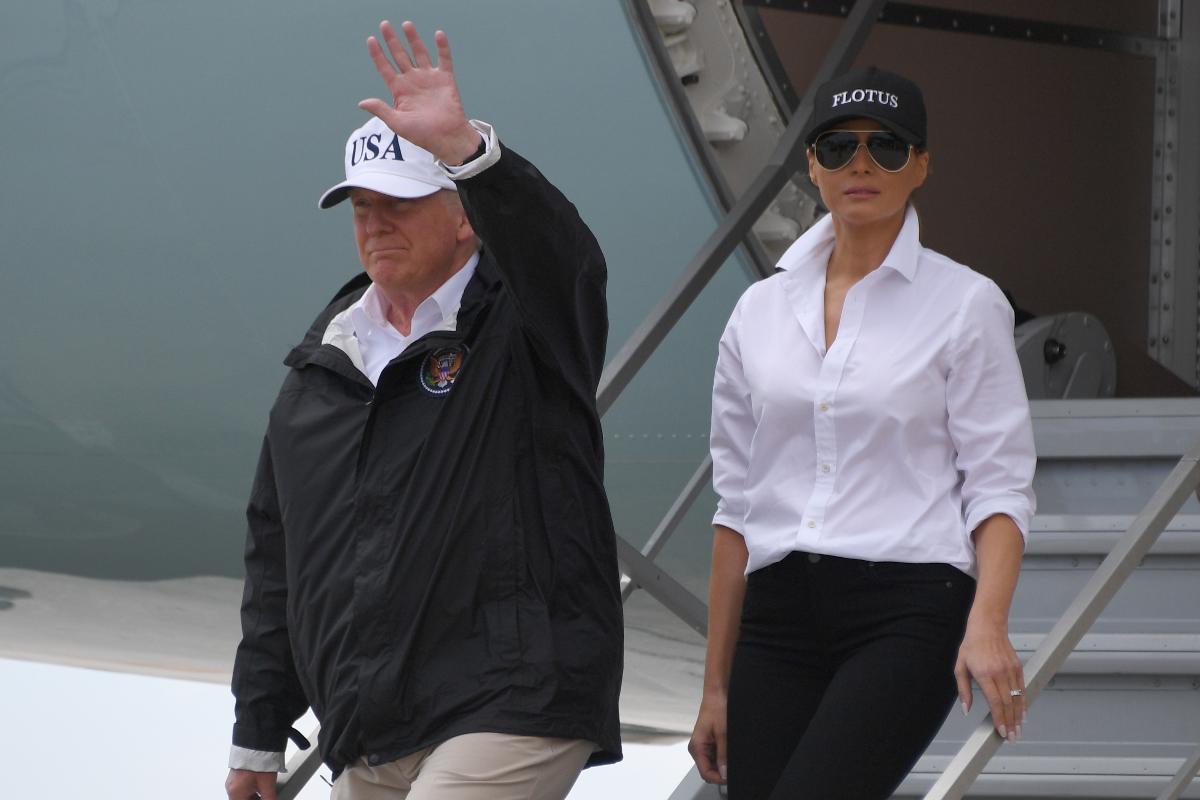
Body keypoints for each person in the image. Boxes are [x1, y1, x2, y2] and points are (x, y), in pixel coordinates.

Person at [225, 20, 623, 800]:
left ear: (466, 215)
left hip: (511, 700)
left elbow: (564, 258)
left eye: (400, 204)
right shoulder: (317, 374)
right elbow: (279, 563)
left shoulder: (524, 327)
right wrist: (259, 735)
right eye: (360, 206)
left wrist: (474, 156)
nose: (375, 223)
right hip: (370, 724)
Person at [687, 66, 1037, 799]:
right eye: (839, 146)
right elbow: (736, 509)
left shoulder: (967, 304)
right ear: (811, 162)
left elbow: (999, 486)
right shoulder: (757, 311)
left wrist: (988, 623)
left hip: (907, 608)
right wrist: (715, 689)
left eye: (887, 147)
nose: (862, 165)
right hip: (778, 611)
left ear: (922, 164)